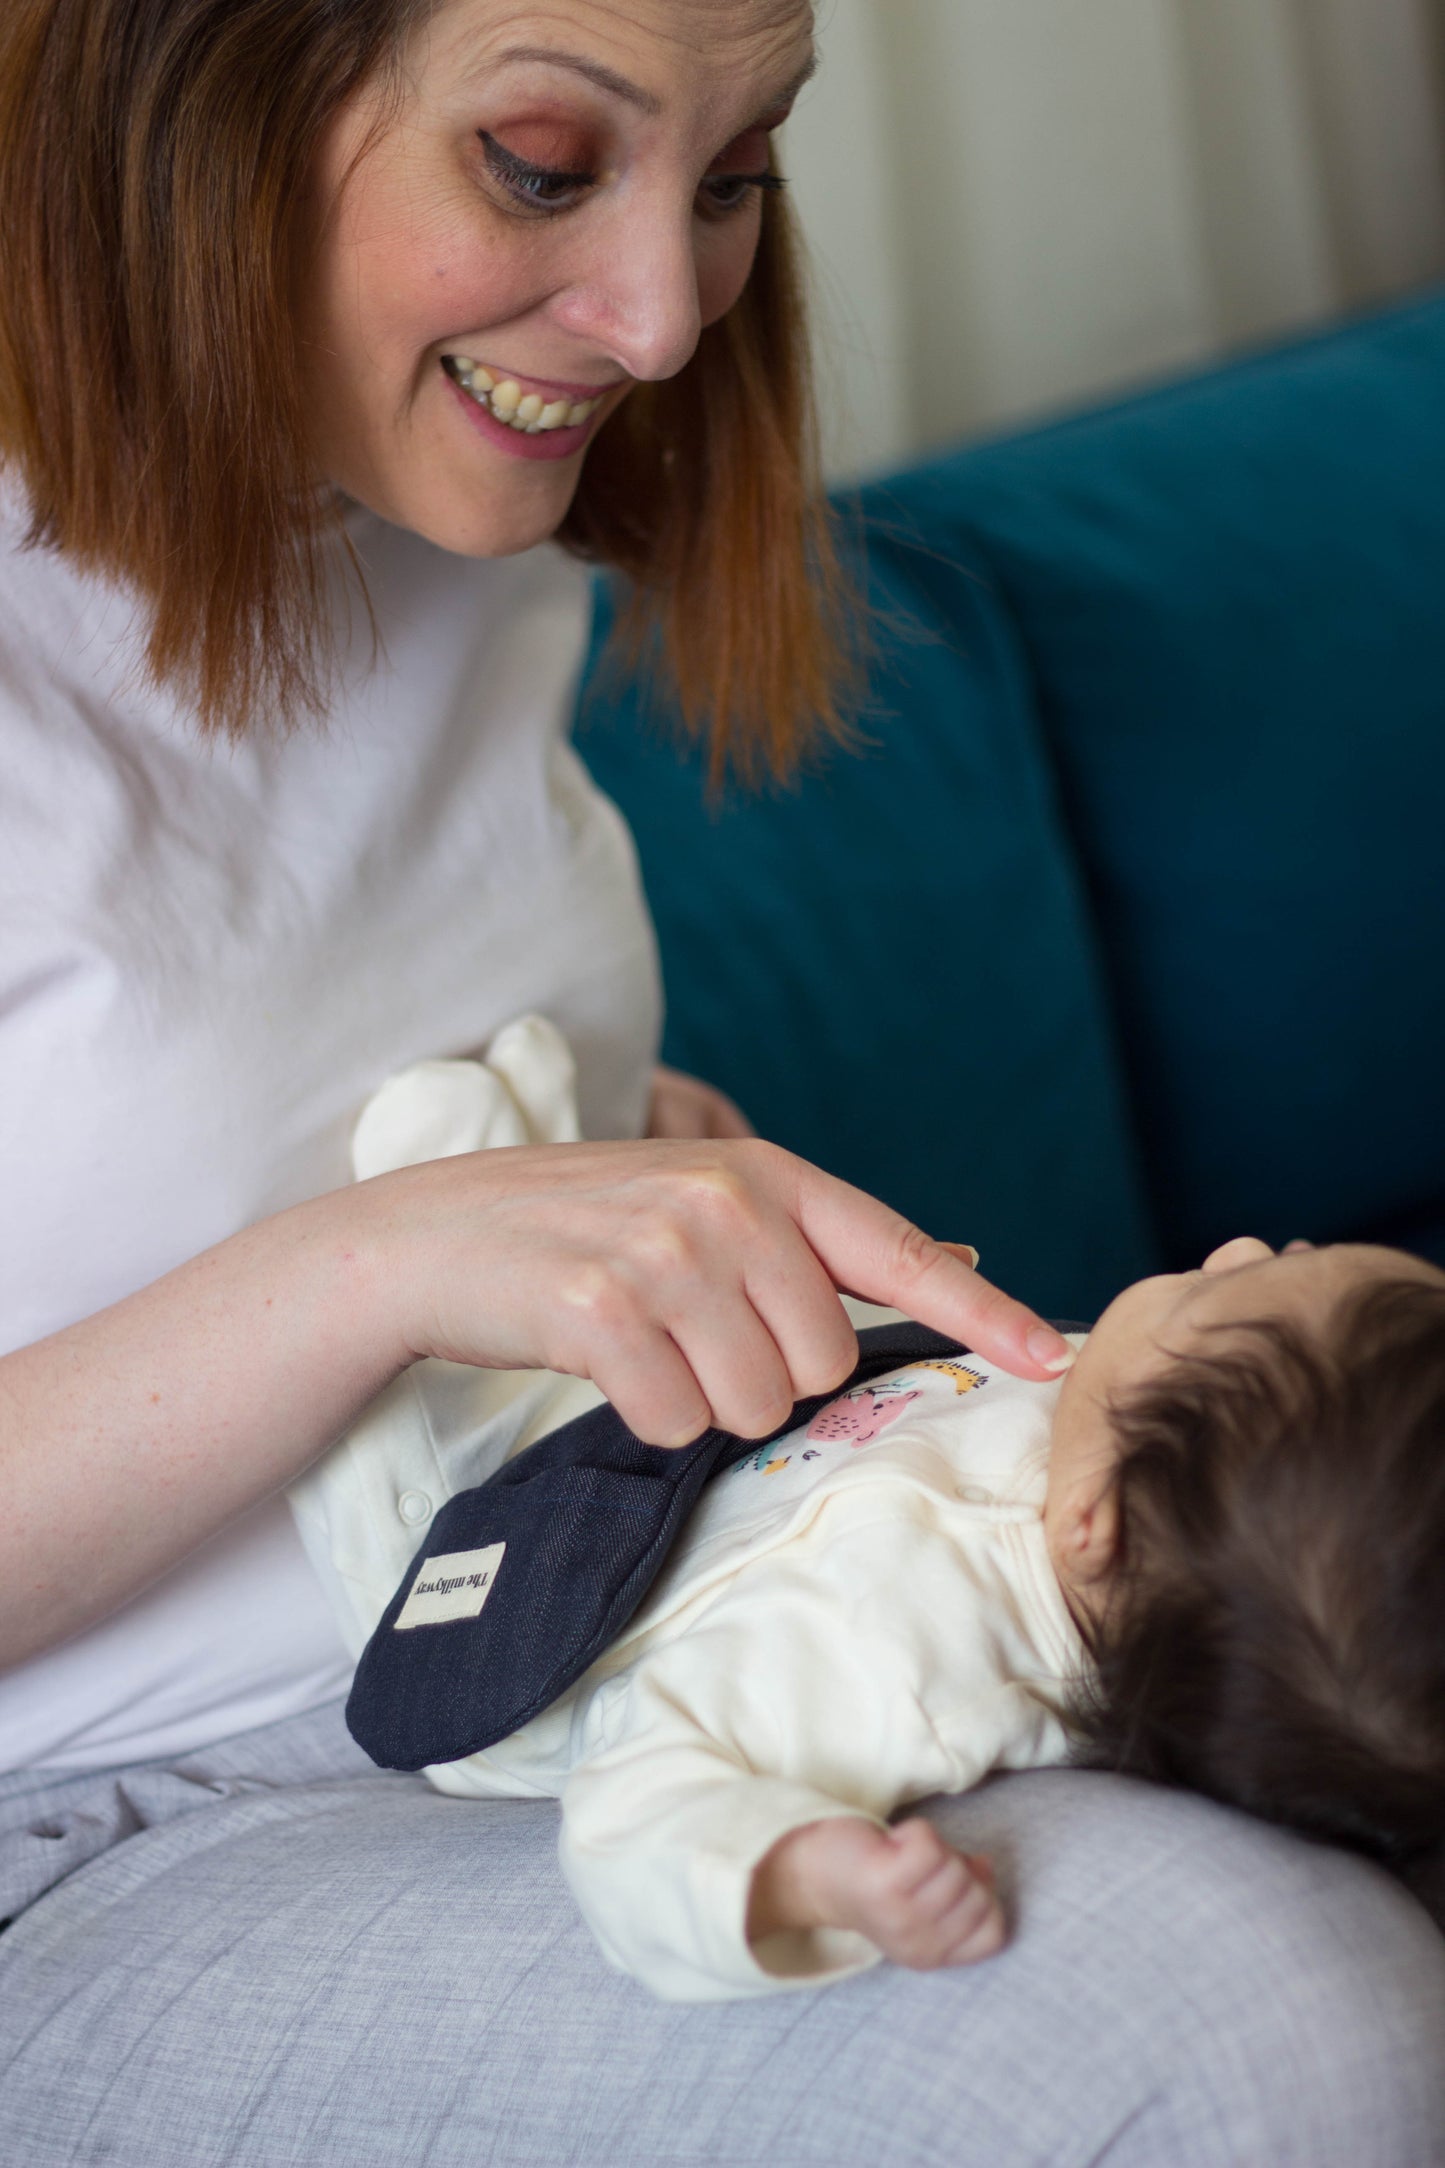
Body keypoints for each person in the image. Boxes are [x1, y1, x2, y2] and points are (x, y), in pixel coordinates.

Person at [1, 1, 1443, 2161]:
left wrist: (630, 1149)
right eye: (541, 162)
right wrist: (379, 1264)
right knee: (1263, 2019)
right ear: (191, 91)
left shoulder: (464, 526)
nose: (665, 320)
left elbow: (272, 1033)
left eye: (735, 176)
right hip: (111, 1813)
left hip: (601, 1619)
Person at [316, 1209, 1445, 2002]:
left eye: (1220, 1289)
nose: (1241, 1242)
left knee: (373, 1380)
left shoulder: (897, 1665)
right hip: (691, 1459)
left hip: (496, 1604)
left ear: (1094, 1520)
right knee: (575, 1250)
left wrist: (797, 1869)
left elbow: (642, 1805)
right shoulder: (1156, 1478)